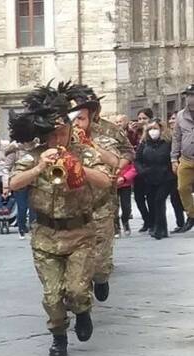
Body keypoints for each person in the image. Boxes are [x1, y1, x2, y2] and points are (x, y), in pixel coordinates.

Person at [9, 82, 113, 356]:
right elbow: (14, 183)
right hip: (45, 235)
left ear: (70, 131)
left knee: (77, 290)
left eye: (62, 133)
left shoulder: (85, 152)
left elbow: (106, 180)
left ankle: (83, 310)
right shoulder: (35, 155)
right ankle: (58, 337)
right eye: (52, 135)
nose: (58, 139)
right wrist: (39, 167)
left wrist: (80, 169)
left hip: (80, 234)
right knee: (52, 296)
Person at [68, 84, 131, 302]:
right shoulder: (62, 135)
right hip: (72, 208)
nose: (77, 123)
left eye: (81, 117)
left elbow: (123, 154)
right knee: (75, 260)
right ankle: (77, 298)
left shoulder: (107, 133)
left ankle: (101, 277)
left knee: (100, 260)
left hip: (101, 203)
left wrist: (116, 170)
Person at [134, 118, 176, 239]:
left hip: (166, 177)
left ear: (161, 129)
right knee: (152, 202)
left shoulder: (168, 142)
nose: (153, 131)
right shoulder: (144, 143)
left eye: (155, 128)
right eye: (150, 129)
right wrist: (142, 171)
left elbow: (173, 157)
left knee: (159, 200)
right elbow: (137, 160)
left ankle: (159, 228)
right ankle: (160, 227)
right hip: (149, 177)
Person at [2, 139, 38, 239]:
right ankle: (21, 229)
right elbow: (6, 169)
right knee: (22, 207)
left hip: (34, 181)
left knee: (34, 207)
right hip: (19, 181)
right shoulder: (14, 150)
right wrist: (6, 186)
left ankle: (33, 229)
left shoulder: (37, 148)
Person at [171, 84, 194, 232]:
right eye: (188, 95)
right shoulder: (181, 115)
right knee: (182, 187)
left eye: (192, 95)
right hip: (186, 158)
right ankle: (192, 214)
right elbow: (176, 137)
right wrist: (174, 158)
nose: (190, 98)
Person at [133, 108, 154, 231]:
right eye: (139, 118)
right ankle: (146, 220)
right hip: (138, 169)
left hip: (151, 169)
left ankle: (153, 221)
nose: (141, 121)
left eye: (144, 118)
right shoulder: (135, 133)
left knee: (151, 198)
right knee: (138, 198)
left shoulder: (153, 132)